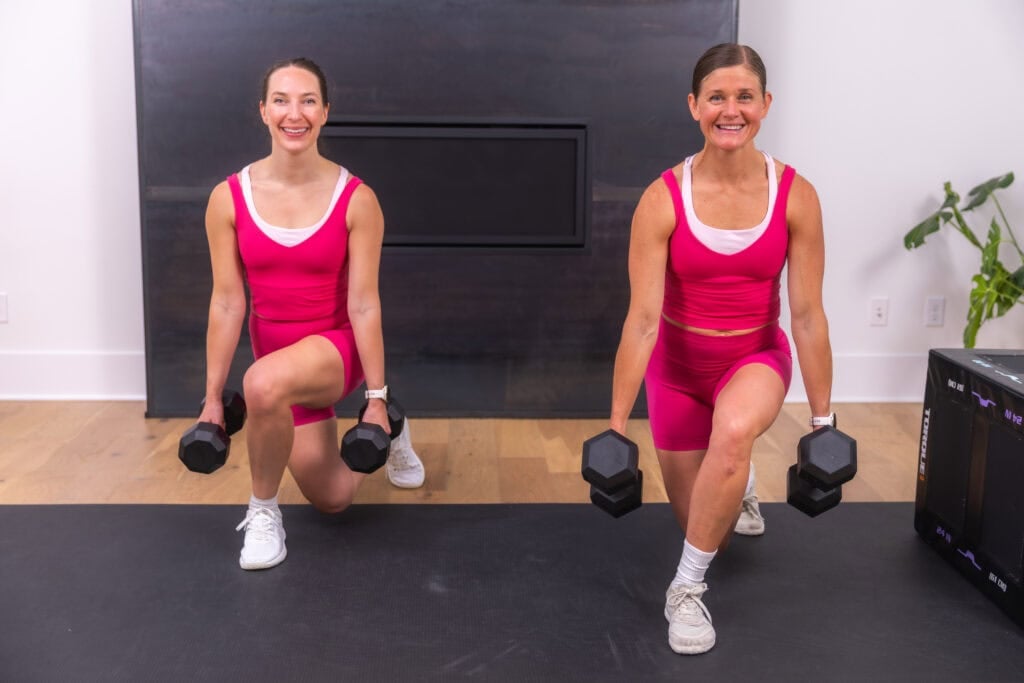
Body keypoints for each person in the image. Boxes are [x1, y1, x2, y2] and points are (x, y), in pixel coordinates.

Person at [606, 43, 834, 654]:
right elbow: (644, 318)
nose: (730, 110)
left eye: (744, 97)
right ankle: (741, 478)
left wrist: (823, 420)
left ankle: (684, 591)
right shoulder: (662, 198)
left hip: (755, 357)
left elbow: (808, 317)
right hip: (676, 373)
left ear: (765, 104)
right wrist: (616, 426)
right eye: (716, 97)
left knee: (732, 430)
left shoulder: (796, 196)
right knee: (713, 527)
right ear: (693, 106)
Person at [198, 57, 425, 571]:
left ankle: (262, 513)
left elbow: (365, 302)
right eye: (281, 100)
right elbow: (228, 301)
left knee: (260, 383)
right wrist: (212, 399)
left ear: (325, 112)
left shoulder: (357, 199)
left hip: (336, 348)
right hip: (275, 369)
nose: (293, 113)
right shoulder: (228, 199)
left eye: (307, 101)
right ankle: (393, 428)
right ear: (263, 111)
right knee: (335, 496)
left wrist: (373, 395)